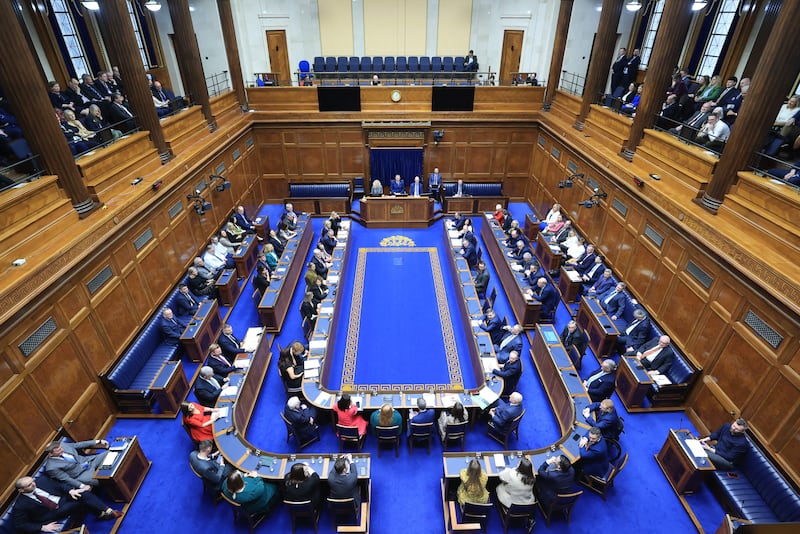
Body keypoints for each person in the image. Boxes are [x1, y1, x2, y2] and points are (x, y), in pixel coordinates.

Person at [12, 475, 122, 531]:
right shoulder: (20, 505)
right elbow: (21, 525)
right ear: (21, 490)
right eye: (29, 485)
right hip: (52, 512)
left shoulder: (41, 480)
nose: (34, 484)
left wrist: (71, 490)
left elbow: (59, 485)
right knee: (80, 503)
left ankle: (106, 511)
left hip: (63, 499)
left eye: (33, 481)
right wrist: (42, 527)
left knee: (82, 494)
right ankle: (103, 514)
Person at [44, 439, 109, 489]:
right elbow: (66, 479)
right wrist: (82, 486)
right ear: (50, 454)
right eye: (58, 450)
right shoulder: (51, 467)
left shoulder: (62, 445)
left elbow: (78, 445)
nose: (62, 450)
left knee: (111, 453)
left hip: (89, 461)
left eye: (61, 448)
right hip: (81, 474)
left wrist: (98, 441)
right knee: (102, 480)